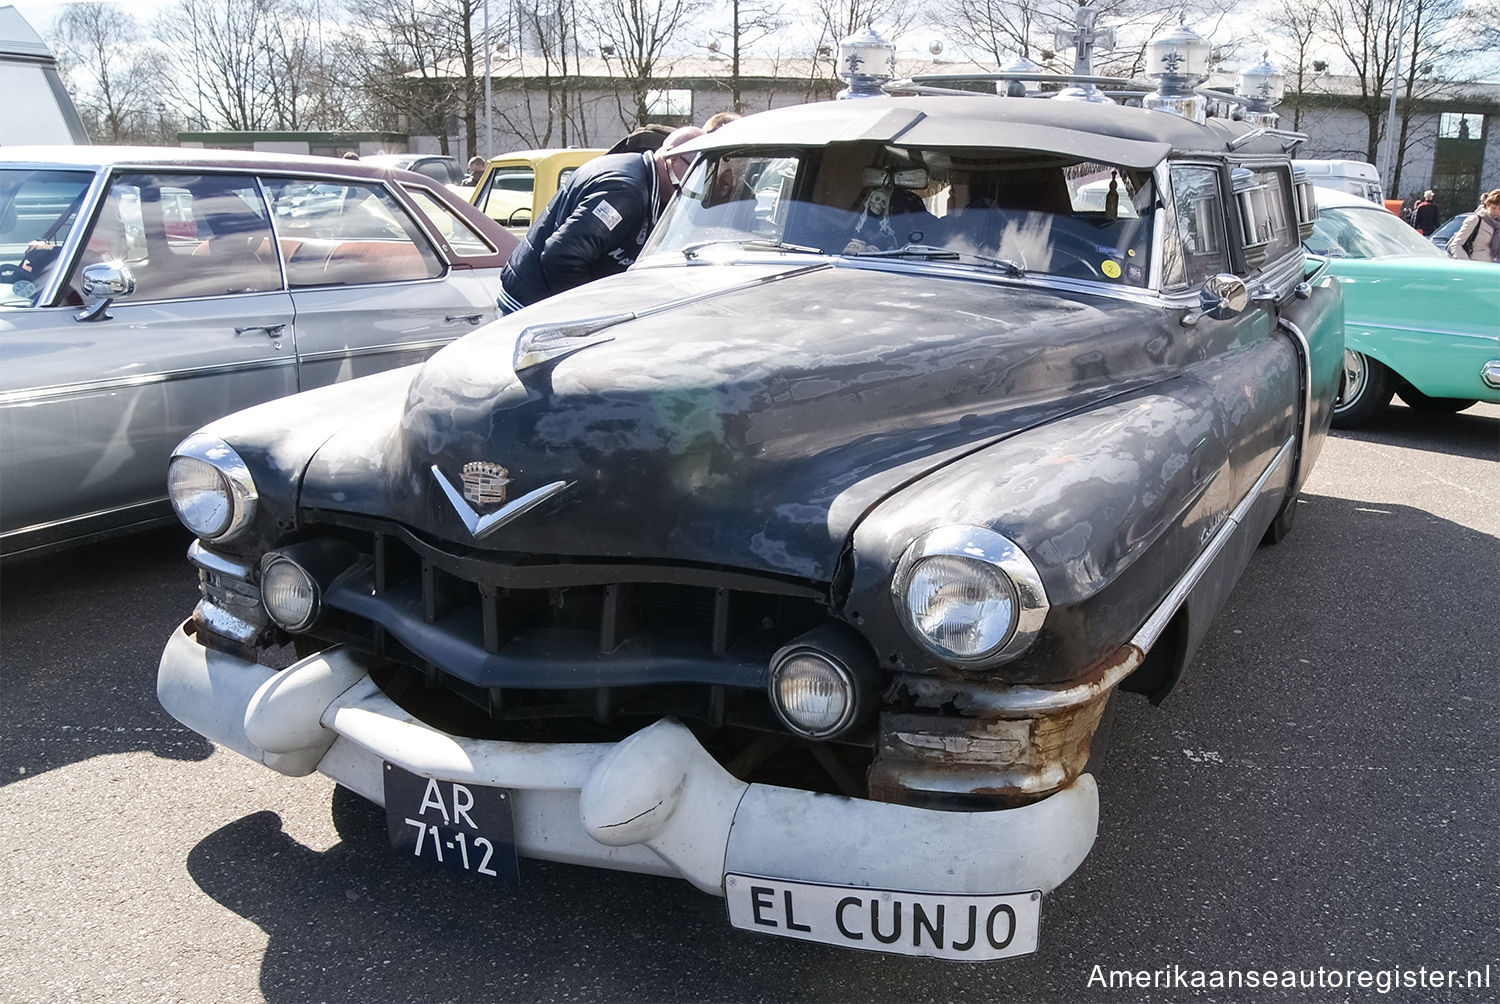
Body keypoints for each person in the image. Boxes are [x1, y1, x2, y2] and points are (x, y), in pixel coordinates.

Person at [499, 125, 704, 310]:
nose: (700, 180)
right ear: (673, 159)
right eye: (697, 170)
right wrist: (592, 310)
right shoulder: (625, 193)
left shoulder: (641, 178)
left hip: (535, 293)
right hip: (531, 302)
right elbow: (562, 255)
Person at [1446, 189, 1500, 262]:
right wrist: (1468, 264)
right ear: (1487, 205)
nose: (1496, 211)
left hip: (1493, 268)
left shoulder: (1498, 225)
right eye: (1493, 208)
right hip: (1475, 266)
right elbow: (1456, 245)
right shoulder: (1476, 220)